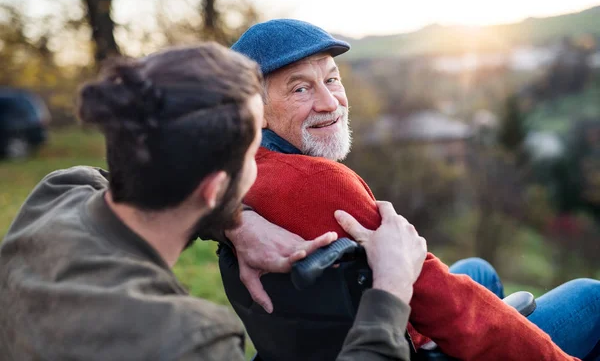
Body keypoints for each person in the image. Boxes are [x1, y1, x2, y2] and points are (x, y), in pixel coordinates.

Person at [0, 43, 427, 360]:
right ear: (212, 187)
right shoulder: (188, 341)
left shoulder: (58, 193)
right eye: (251, 154)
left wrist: (235, 223)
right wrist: (390, 290)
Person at [225, 19, 600, 361]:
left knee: (478, 269)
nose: (330, 102)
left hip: (333, 336)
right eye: (301, 88)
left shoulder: (230, 173)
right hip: (399, 347)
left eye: (332, 79)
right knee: (591, 296)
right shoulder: (317, 182)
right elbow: (447, 305)